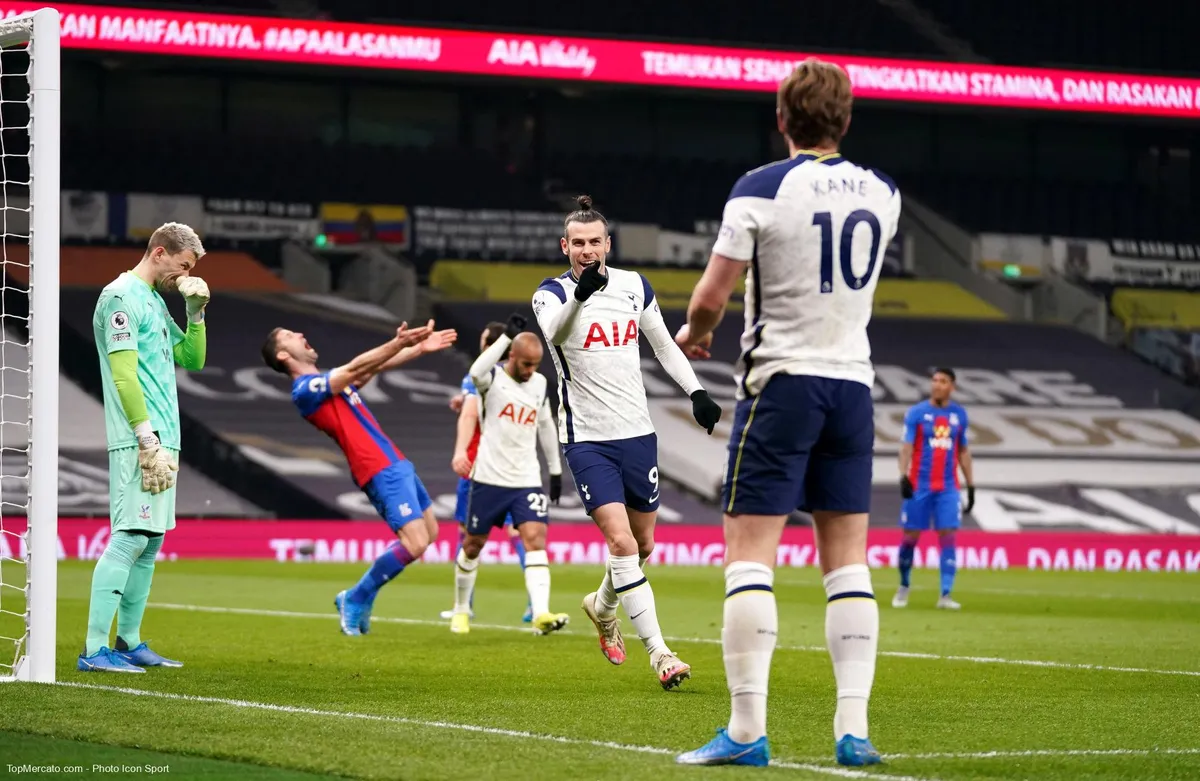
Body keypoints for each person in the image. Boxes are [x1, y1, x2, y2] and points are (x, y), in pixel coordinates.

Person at [674, 58, 901, 767]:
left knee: (749, 556)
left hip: (783, 383)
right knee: (848, 564)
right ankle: (853, 732)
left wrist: (695, 331)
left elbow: (712, 295)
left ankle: (746, 732)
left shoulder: (761, 189)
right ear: (846, 119)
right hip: (853, 388)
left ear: (781, 118)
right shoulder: (885, 192)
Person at [531, 195, 723, 691]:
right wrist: (582, 294)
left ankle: (603, 606)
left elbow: (662, 345)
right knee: (620, 542)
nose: (587, 250)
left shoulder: (635, 286)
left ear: (607, 243)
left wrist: (697, 392)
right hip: (587, 438)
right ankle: (660, 654)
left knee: (642, 546)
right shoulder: (550, 293)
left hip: (637, 432)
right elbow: (555, 333)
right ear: (564, 246)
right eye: (578, 243)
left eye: (595, 242)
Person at [261, 319, 457, 635]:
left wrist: (418, 348)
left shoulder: (329, 383)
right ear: (283, 356)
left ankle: (358, 597)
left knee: (430, 533)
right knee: (416, 542)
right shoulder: (305, 391)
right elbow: (355, 369)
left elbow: (367, 370)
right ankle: (356, 596)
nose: (299, 333)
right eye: (288, 335)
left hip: (396, 463)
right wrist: (398, 342)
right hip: (377, 469)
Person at [78, 222, 210, 673]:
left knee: (150, 541)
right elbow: (123, 375)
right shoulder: (120, 297)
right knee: (130, 536)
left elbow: (192, 359)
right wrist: (144, 434)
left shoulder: (154, 300)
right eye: (183, 266)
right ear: (159, 252)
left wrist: (195, 313)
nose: (185, 274)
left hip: (164, 438)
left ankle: (129, 640)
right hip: (140, 438)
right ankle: (95, 650)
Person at [450, 313, 568, 635]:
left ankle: (541, 612)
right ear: (512, 357)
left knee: (535, 541)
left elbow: (545, 425)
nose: (531, 371)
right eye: (526, 364)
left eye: (536, 365)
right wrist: (505, 337)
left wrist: (555, 471)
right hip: (488, 478)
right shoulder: (491, 380)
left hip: (526, 479)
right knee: (473, 545)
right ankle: (461, 609)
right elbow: (475, 370)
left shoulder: (540, 384)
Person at [440, 321, 531, 622]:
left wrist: (459, 452)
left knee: (468, 536)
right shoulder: (523, 378)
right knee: (520, 533)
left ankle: (462, 605)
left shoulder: (480, 374)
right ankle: (536, 604)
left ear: (489, 346)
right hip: (514, 465)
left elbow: (469, 416)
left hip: (479, 464)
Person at [894, 368, 974, 611]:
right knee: (910, 537)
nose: (937, 385)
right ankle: (904, 585)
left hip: (948, 487)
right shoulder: (917, 413)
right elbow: (906, 446)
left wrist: (971, 486)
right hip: (919, 485)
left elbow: (962, 451)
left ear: (952, 386)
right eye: (935, 380)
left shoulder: (959, 414)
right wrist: (902, 475)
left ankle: (945, 594)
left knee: (948, 535)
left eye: (943, 381)